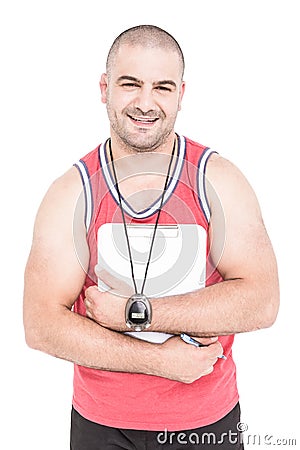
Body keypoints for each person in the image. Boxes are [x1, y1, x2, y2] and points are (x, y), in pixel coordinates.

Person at [23, 25, 279, 449]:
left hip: (206, 424)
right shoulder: (73, 193)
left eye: (162, 87)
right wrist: (159, 360)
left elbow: (263, 301)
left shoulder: (217, 181)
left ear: (181, 94)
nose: (145, 103)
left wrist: (135, 313)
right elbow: (41, 324)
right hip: (100, 426)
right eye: (130, 84)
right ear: (104, 88)